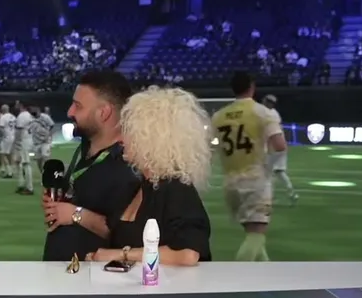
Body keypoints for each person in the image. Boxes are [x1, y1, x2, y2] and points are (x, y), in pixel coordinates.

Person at [82, 87, 212, 266]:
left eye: (129, 132)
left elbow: (187, 254)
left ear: (151, 139)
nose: (121, 139)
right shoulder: (138, 186)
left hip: (165, 284)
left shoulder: (176, 189)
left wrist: (121, 254)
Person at [42, 70, 141, 262]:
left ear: (104, 112)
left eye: (78, 106)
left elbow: (126, 234)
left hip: (95, 275)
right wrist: (57, 204)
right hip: (62, 268)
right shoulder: (85, 147)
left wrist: (76, 214)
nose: (70, 112)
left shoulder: (129, 165)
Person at [211, 71, 286, 262]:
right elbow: (280, 145)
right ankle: (237, 276)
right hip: (255, 180)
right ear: (252, 87)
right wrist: (268, 169)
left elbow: (211, 146)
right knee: (256, 235)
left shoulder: (219, 116)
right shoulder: (262, 112)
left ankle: (267, 274)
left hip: (230, 183)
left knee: (253, 234)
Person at [261, 95, 295, 204]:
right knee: (279, 171)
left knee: (266, 174)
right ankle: (291, 192)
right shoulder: (275, 113)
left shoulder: (265, 113)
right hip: (282, 145)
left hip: (273, 146)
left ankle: (268, 198)